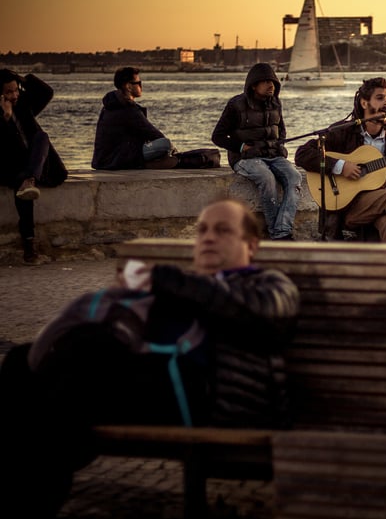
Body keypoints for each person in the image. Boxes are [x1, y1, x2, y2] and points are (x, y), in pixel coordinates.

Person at [0, 197, 300, 517]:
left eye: (223, 230)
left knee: (79, 356)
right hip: (154, 382)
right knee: (21, 362)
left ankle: (34, 488)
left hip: (215, 397)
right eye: (202, 231)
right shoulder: (184, 286)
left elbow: (262, 316)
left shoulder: (270, 283)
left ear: (251, 246)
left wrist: (163, 280)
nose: (209, 237)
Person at [294, 77, 386, 243]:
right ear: (364, 103)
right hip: (346, 208)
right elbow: (302, 154)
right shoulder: (344, 131)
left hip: (380, 207)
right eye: (380, 98)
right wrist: (340, 166)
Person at [212, 63, 302, 241]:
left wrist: (280, 145)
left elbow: (281, 130)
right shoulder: (236, 105)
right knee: (266, 178)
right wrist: (240, 147)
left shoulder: (276, 103)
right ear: (253, 85)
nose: (271, 85)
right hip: (245, 158)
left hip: (273, 155)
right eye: (266, 82)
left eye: (274, 82)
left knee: (295, 178)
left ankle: (281, 230)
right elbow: (218, 136)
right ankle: (280, 234)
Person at [0, 69, 68, 265]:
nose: (14, 96)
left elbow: (46, 92)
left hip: (33, 164)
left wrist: (21, 77)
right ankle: (29, 245)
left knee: (42, 137)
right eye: (8, 92)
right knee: (23, 181)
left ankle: (30, 178)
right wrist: (6, 117)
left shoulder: (24, 106)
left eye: (16, 90)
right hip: (9, 165)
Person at [92, 67, 180, 170]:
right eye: (138, 83)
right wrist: (174, 151)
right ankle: (149, 164)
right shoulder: (129, 109)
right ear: (129, 86)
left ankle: (155, 162)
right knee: (165, 144)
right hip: (119, 160)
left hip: (102, 161)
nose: (141, 86)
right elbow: (154, 134)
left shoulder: (108, 107)